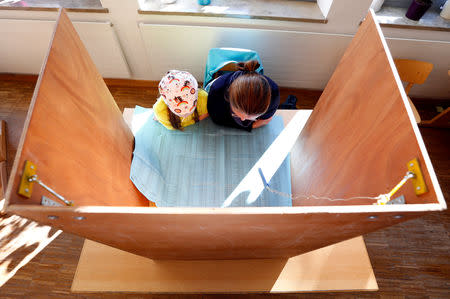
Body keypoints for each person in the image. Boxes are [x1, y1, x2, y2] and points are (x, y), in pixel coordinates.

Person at [207, 60, 280, 131]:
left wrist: (249, 126)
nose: (243, 119)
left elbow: (266, 119)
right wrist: (250, 126)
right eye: (235, 114)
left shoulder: (274, 94)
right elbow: (217, 119)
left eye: (253, 118)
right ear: (228, 98)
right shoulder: (217, 91)